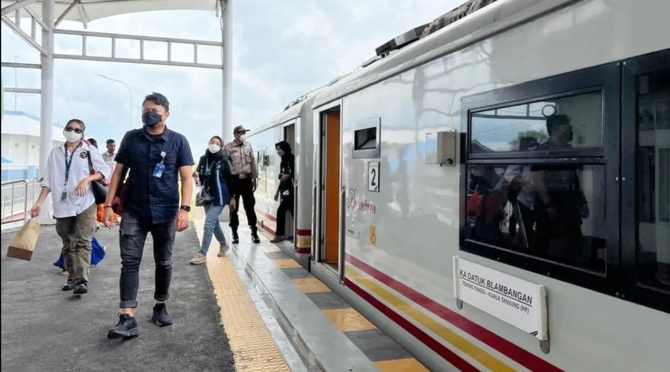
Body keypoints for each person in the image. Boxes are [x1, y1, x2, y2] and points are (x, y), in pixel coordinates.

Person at [103, 92, 194, 339]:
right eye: (144, 110)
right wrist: (109, 206)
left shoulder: (178, 141)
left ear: (166, 114)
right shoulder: (131, 138)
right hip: (134, 210)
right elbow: (117, 174)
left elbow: (187, 178)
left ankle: (160, 305)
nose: (148, 113)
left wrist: (184, 210)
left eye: (153, 110)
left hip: (166, 212)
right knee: (130, 261)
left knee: (163, 261)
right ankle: (127, 316)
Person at [29, 119, 110, 295]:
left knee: (83, 240)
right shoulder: (55, 153)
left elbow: (104, 171)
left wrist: (87, 179)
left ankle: (81, 280)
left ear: (82, 133)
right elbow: (48, 180)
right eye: (69, 128)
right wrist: (39, 203)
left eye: (77, 129)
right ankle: (72, 277)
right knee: (68, 242)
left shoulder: (89, 151)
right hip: (62, 204)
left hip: (85, 202)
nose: (72, 131)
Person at [190, 136, 237, 265]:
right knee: (214, 223)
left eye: (217, 143)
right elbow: (199, 173)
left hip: (220, 196)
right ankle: (223, 244)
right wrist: (196, 176)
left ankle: (202, 253)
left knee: (208, 223)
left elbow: (231, 179)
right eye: (212, 142)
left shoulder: (225, 159)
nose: (214, 145)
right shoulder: (203, 159)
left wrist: (233, 197)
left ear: (221, 146)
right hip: (207, 196)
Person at [223, 125, 260, 244]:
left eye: (245, 132)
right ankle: (234, 233)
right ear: (235, 135)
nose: (244, 134)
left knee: (250, 206)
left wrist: (254, 178)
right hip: (234, 180)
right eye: (242, 132)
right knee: (234, 208)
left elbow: (253, 162)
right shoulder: (228, 148)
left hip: (247, 180)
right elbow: (225, 167)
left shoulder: (248, 146)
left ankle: (254, 232)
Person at [271, 141, 294, 243]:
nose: (278, 151)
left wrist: (289, 176)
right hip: (285, 191)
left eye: (280, 148)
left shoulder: (292, 159)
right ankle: (281, 235)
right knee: (285, 212)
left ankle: (280, 235)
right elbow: (282, 177)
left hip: (292, 191)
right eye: (277, 149)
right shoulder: (282, 161)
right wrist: (277, 191)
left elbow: (296, 173)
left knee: (282, 212)